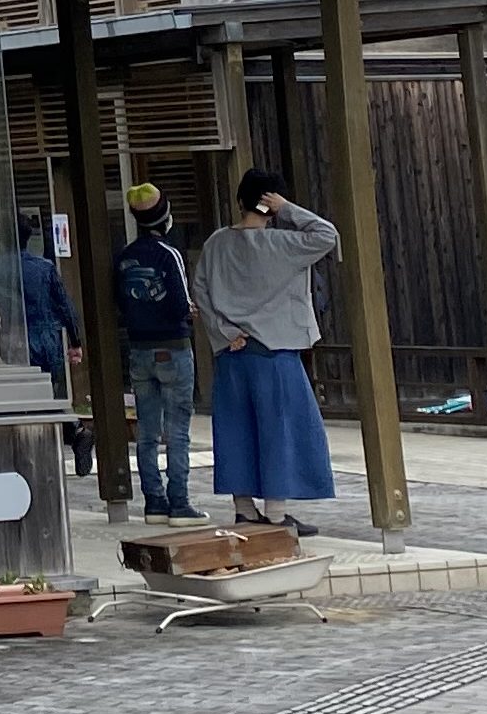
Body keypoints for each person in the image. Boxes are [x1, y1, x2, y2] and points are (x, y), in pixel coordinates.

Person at [193, 168, 339, 531]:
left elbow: (200, 291)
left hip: (232, 352)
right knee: (280, 431)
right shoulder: (284, 244)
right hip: (275, 351)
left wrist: (224, 332)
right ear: (271, 204)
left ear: (240, 200)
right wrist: (286, 208)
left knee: (236, 430)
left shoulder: (216, 243)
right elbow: (327, 235)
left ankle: (244, 508)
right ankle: (276, 513)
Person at [114, 183, 201, 523]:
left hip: (139, 348)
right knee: (177, 428)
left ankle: (154, 501)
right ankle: (179, 502)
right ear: (165, 216)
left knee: (147, 431)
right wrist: (188, 311)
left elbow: (121, 303)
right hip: (173, 348)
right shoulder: (169, 254)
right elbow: (180, 303)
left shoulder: (124, 257)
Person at [13, 212, 93, 475]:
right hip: (48, 337)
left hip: (17, 338)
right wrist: (75, 341)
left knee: (24, 399)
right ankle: (74, 430)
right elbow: (65, 305)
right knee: (51, 393)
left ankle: (36, 451)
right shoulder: (44, 267)